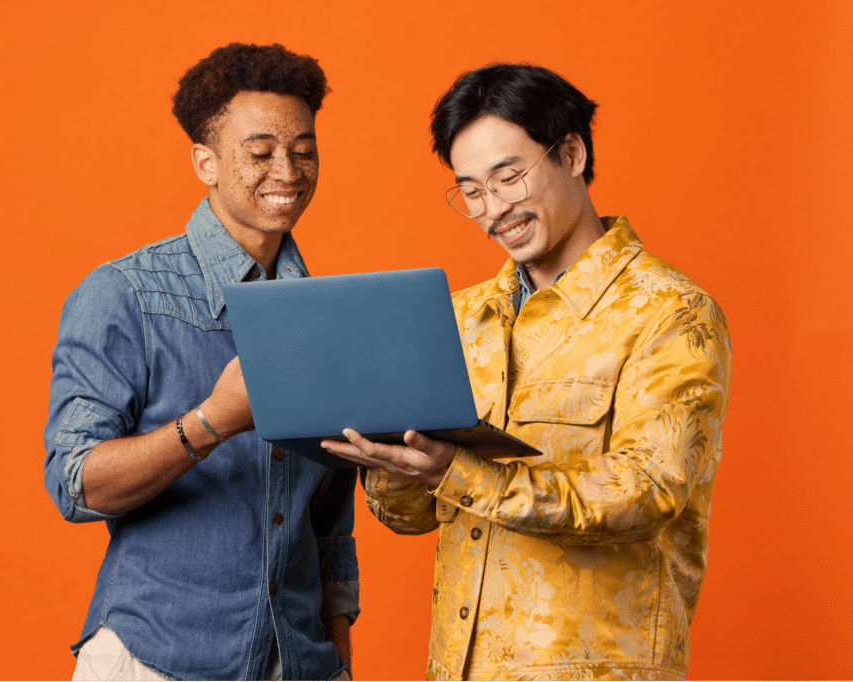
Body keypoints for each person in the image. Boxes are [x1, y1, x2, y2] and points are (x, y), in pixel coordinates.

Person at [321, 63, 731, 680]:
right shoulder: (457, 319)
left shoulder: (671, 312)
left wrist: (461, 472)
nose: (494, 210)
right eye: (473, 191)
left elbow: (649, 490)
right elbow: (413, 516)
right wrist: (385, 457)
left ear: (570, 153)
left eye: (508, 177)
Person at [44, 43, 358, 681]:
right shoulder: (123, 294)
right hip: (153, 656)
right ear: (206, 162)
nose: (288, 171)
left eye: (304, 149)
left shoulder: (328, 314)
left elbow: (329, 525)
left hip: (297, 664)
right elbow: (73, 483)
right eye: (261, 150)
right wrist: (213, 422)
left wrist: (338, 659)